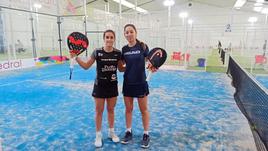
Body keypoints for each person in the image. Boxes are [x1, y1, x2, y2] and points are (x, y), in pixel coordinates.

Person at [70, 30, 124, 148]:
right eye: (107, 37)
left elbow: (121, 69)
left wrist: (136, 64)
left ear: (114, 39)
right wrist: (76, 58)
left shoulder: (118, 53)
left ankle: (111, 133)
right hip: (99, 86)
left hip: (112, 86)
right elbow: (86, 66)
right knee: (99, 111)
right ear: (104, 39)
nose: (109, 39)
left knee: (111, 110)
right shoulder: (97, 52)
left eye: (111, 37)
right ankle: (98, 135)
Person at [120, 24, 156, 148]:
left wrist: (152, 66)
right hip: (128, 83)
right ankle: (128, 131)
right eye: (126, 32)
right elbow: (121, 66)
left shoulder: (143, 47)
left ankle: (146, 134)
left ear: (136, 32)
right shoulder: (124, 49)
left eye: (131, 31)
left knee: (143, 110)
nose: (129, 34)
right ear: (124, 34)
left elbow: (150, 62)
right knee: (128, 109)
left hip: (141, 83)